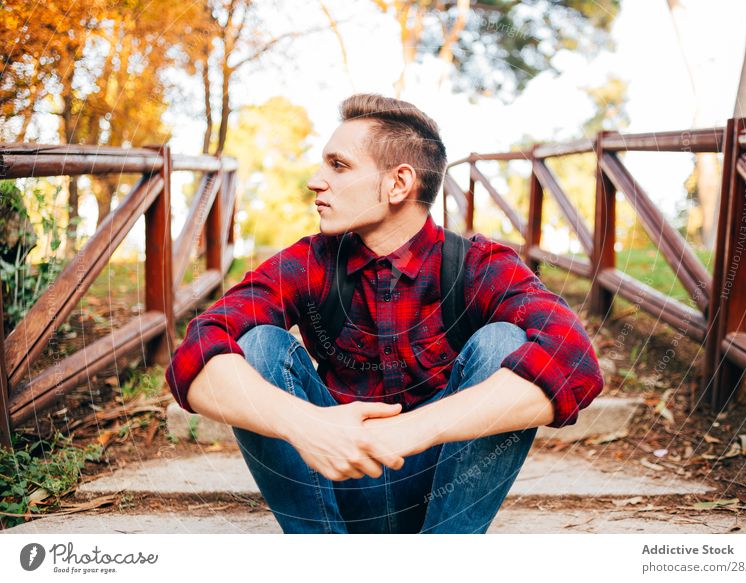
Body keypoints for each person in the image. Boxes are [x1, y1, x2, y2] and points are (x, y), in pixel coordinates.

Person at [165, 93, 604, 534]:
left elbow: (575, 361)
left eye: (338, 165)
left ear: (398, 184)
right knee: (258, 344)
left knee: (504, 343)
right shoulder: (310, 262)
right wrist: (307, 425)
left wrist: (411, 431)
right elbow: (197, 349)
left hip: (443, 491)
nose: (315, 181)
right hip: (336, 478)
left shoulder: (476, 265)